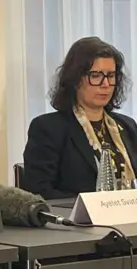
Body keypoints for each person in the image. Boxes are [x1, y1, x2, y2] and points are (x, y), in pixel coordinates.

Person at [21, 36, 137, 200]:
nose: (105, 84)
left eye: (111, 75)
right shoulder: (48, 128)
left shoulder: (127, 126)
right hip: (78, 222)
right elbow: (38, 191)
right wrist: (91, 206)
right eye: (96, 75)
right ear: (75, 80)